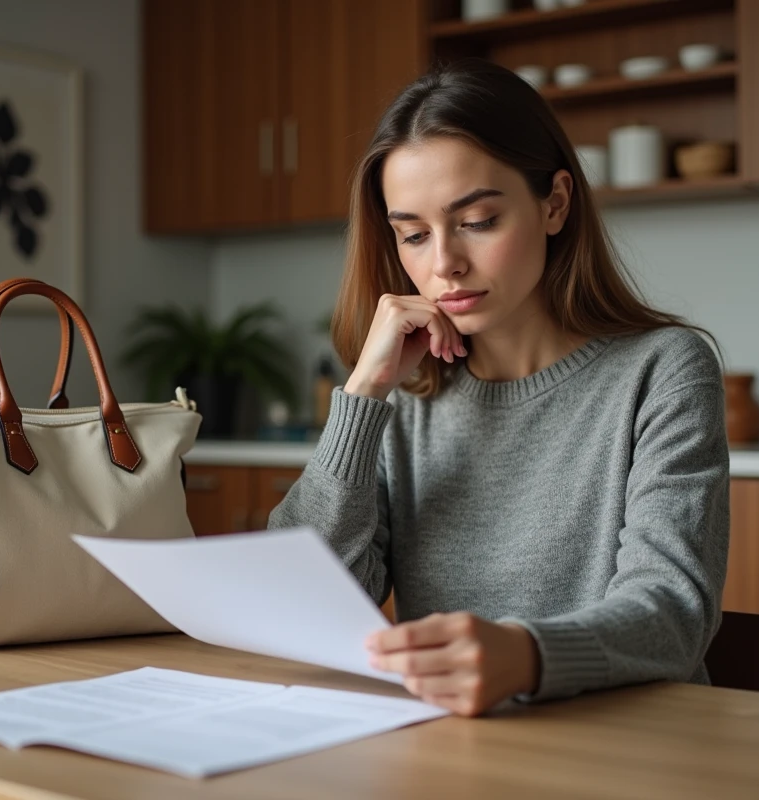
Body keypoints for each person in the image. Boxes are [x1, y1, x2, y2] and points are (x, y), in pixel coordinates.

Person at [268, 59, 730, 717]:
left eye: (478, 220)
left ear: (555, 204)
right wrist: (363, 397)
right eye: (413, 235)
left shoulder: (662, 370)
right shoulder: (404, 398)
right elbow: (301, 600)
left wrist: (527, 656)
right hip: (460, 751)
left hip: (633, 745)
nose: (444, 263)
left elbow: (672, 613)